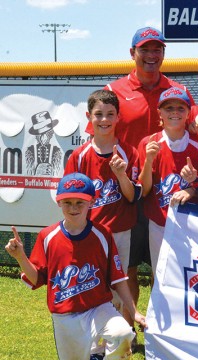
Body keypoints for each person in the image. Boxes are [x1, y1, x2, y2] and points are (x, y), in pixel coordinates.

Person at [4, 173, 147, 360]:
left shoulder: (102, 234)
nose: (73, 207)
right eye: (67, 202)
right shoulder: (48, 236)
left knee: (123, 333)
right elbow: (36, 279)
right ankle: (89, 359)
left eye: (80, 202)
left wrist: (134, 312)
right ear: (59, 202)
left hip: (98, 307)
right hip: (66, 315)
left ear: (91, 202)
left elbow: (118, 280)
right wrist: (20, 258)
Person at [99, 26, 194, 319]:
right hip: (126, 192)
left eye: (157, 49)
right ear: (132, 53)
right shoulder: (115, 91)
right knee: (125, 268)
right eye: (145, 49)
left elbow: (191, 131)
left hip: (164, 193)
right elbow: (101, 136)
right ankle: (127, 329)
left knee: (163, 267)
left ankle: (160, 328)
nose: (152, 55)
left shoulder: (177, 91)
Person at [65, 89, 141, 328]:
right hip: (90, 233)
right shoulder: (79, 156)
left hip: (119, 232)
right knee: (89, 287)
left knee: (118, 291)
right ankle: (92, 345)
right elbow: (70, 201)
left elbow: (132, 197)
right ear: (89, 117)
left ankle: (115, 349)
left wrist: (121, 175)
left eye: (110, 114)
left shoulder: (129, 152)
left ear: (118, 117)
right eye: (99, 114)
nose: (105, 120)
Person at [138, 87, 198, 276]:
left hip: (191, 223)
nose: (174, 112)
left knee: (190, 274)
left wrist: (191, 190)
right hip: (159, 223)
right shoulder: (148, 143)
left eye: (180, 108)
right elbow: (143, 191)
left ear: (188, 113)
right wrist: (149, 160)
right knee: (160, 274)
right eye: (168, 108)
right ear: (159, 113)